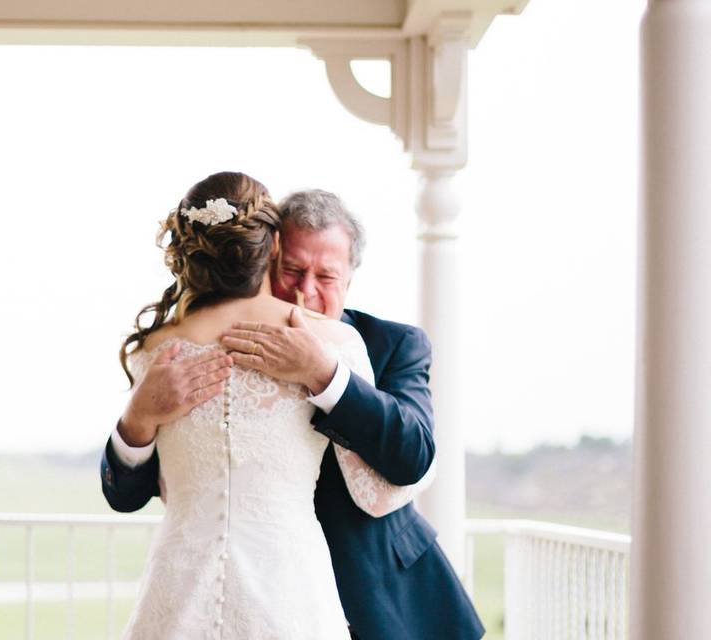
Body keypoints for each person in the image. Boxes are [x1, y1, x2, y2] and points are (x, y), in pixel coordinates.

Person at [102, 187, 485, 639]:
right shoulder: (193, 346)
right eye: (293, 270)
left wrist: (324, 374)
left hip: (383, 603)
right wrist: (138, 416)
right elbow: (129, 492)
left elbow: (413, 457)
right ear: (268, 258)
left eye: (326, 277)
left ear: (350, 279)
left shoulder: (390, 345)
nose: (306, 291)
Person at [113, 172, 378, 638]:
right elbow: (382, 488)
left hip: (177, 592)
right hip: (291, 590)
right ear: (272, 248)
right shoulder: (335, 342)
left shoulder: (152, 351)